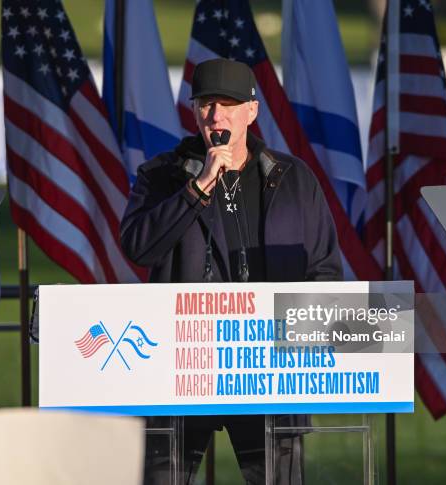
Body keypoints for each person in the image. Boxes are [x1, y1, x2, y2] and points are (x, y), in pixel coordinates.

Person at [121, 58, 342, 485]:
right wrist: (199, 185)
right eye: (205, 104)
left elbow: (324, 269)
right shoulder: (162, 176)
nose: (215, 115)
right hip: (182, 366)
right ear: (193, 111)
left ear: (251, 111)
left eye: (228, 104)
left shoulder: (294, 178)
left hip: (267, 370)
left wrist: (297, 345)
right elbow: (138, 246)